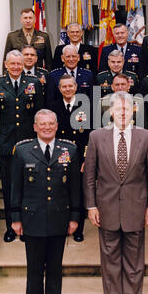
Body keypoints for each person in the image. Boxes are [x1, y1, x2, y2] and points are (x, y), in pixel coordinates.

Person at [83, 91, 148, 294]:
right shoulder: (96, 137)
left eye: (127, 109)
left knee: (135, 262)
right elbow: (89, 177)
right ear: (112, 112)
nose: (123, 113)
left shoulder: (147, 138)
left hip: (136, 209)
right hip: (105, 209)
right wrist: (91, 205)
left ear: (133, 110)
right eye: (119, 109)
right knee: (110, 260)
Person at [10, 109, 81, 294]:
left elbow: (75, 189)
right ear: (35, 127)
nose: (47, 127)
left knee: (54, 268)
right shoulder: (22, 151)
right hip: (32, 219)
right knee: (34, 268)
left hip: (59, 217)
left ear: (57, 125)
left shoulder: (69, 149)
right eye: (43, 124)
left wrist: (75, 217)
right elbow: (15, 188)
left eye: (51, 123)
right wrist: (15, 219)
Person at [0, 50, 44, 242]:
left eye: (19, 64)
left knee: (30, 185)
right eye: (12, 64)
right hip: (6, 143)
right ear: (6, 64)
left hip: (29, 143)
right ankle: (12, 227)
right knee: (10, 186)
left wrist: (40, 141)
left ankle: (27, 226)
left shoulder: (33, 83)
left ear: (23, 65)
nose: (16, 67)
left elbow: (40, 113)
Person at [51, 74, 91, 242]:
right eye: (64, 86)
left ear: (76, 87)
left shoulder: (86, 106)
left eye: (70, 86)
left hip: (79, 158)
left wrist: (85, 159)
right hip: (59, 157)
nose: (67, 89)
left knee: (78, 193)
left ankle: (78, 228)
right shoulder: (53, 107)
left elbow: (90, 135)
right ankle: (60, 226)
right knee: (59, 192)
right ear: (59, 89)